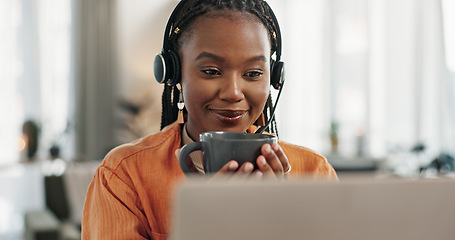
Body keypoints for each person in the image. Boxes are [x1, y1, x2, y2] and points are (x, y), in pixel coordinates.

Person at [82, 0, 337, 239]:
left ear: (274, 79)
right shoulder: (123, 175)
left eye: (253, 73)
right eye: (211, 71)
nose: (233, 93)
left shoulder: (314, 172)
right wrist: (208, 224)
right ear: (174, 73)